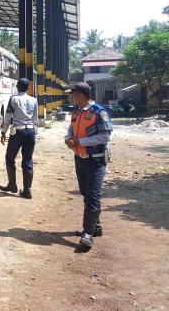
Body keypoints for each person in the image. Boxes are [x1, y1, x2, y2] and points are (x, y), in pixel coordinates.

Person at [64, 82, 112, 250]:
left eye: (73, 94)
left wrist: (80, 141)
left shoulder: (99, 112)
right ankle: (96, 228)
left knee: (92, 196)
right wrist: (68, 138)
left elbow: (105, 136)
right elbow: (71, 129)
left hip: (95, 160)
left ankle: (87, 234)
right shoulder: (76, 112)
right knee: (86, 194)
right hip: (80, 158)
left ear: (82, 95)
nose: (71, 97)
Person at [0, 77, 38, 199]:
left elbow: (8, 117)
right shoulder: (34, 100)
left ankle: (12, 184)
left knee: (9, 158)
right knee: (27, 159)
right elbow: (35, 119)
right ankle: (27, 190)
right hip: (30, 131)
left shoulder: (13, 99)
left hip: (18, 132)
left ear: (17, 87)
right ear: (28, 88)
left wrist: (3, 132)